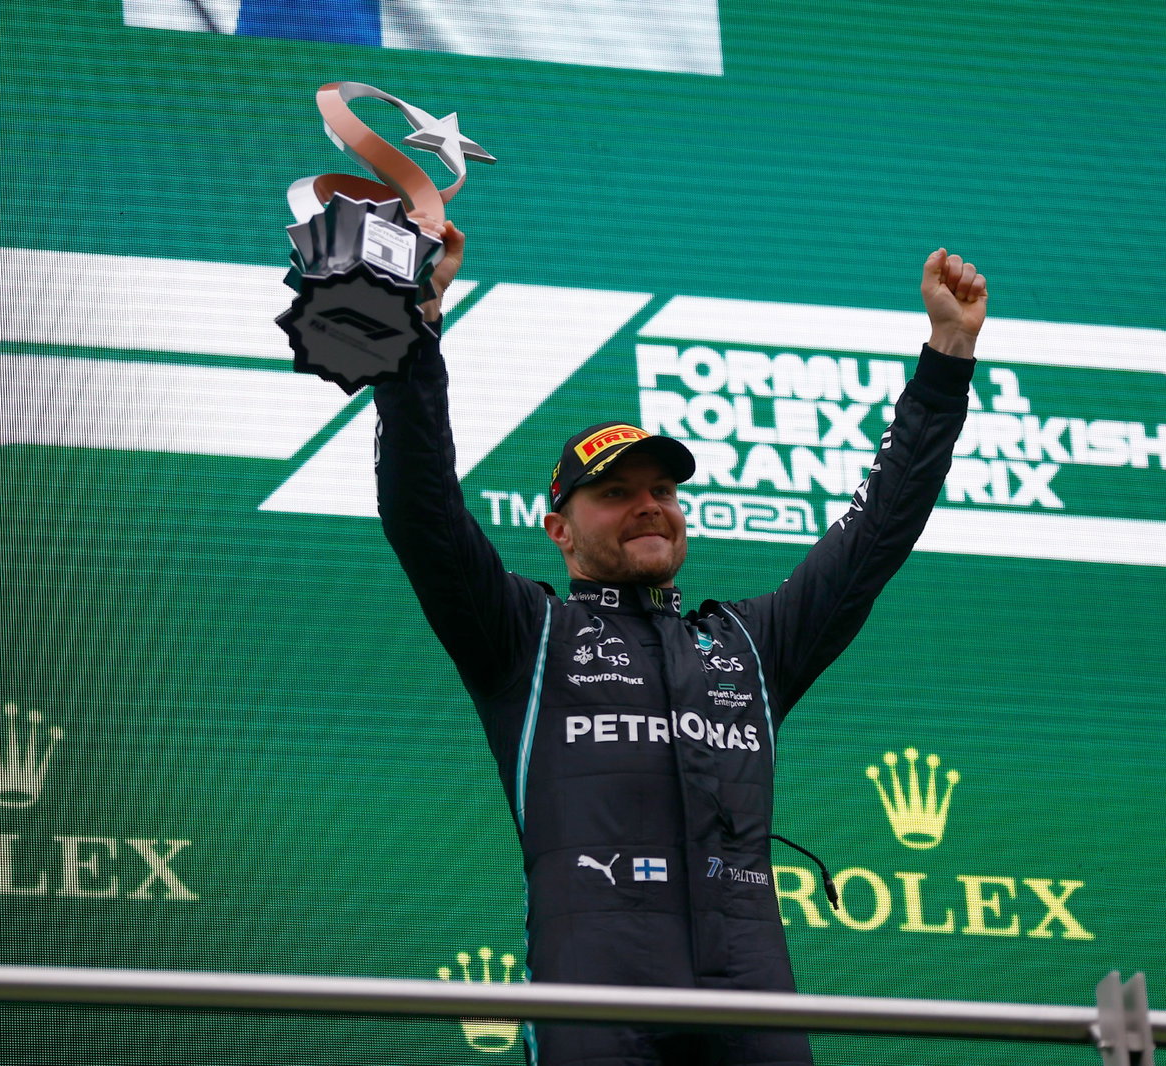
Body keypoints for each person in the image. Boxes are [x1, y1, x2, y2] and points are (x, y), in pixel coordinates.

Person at [375, 216, 985, 1066]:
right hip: (595, 983)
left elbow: (879, 529)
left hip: (749, 984)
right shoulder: (526, 635)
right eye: (614, 493)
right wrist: (416, 335)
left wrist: (947, 359)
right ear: (558, 530)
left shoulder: (749, 643)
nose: (649, 506)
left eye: (662, 489)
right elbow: (423, 512)